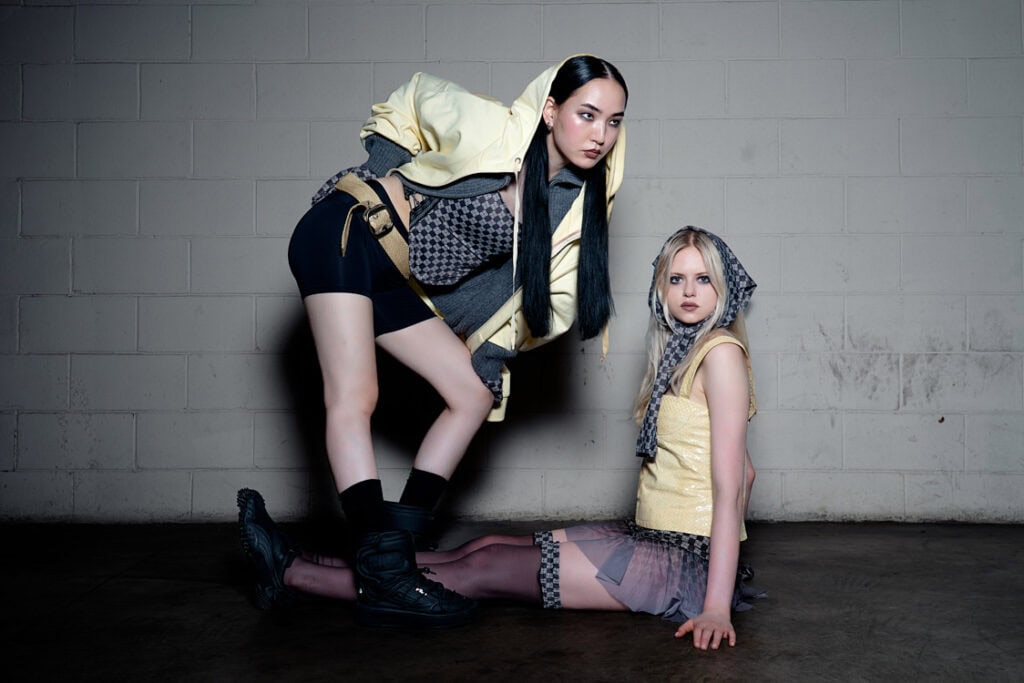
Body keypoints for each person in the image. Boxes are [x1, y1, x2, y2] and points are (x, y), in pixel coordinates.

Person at [240, 226, 761, 648]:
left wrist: (715, 602)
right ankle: (316, 559)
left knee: (483, 568)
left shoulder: (719, 355)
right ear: (661, 288)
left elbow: (729, 482)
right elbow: (748, 472)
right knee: (486, 543)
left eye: (702, 279)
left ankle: (290, 574)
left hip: (684, 562)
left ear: (722, 287)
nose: (689, 292)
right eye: (677, 279)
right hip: (653, 535)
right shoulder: (680, 354)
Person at [277, 55, 628, 628]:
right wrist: (378, 170)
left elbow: (545, 303)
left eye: (613, 122)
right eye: (587, 115)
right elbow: (415, 95)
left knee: (472, 393)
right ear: (551, 109)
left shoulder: (571, 203)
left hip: (388, 273)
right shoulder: (496, 127)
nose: (600, 135)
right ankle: (382, 570)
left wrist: (488, 354)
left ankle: (402, 548)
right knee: (355, 394)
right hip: (347, 229)